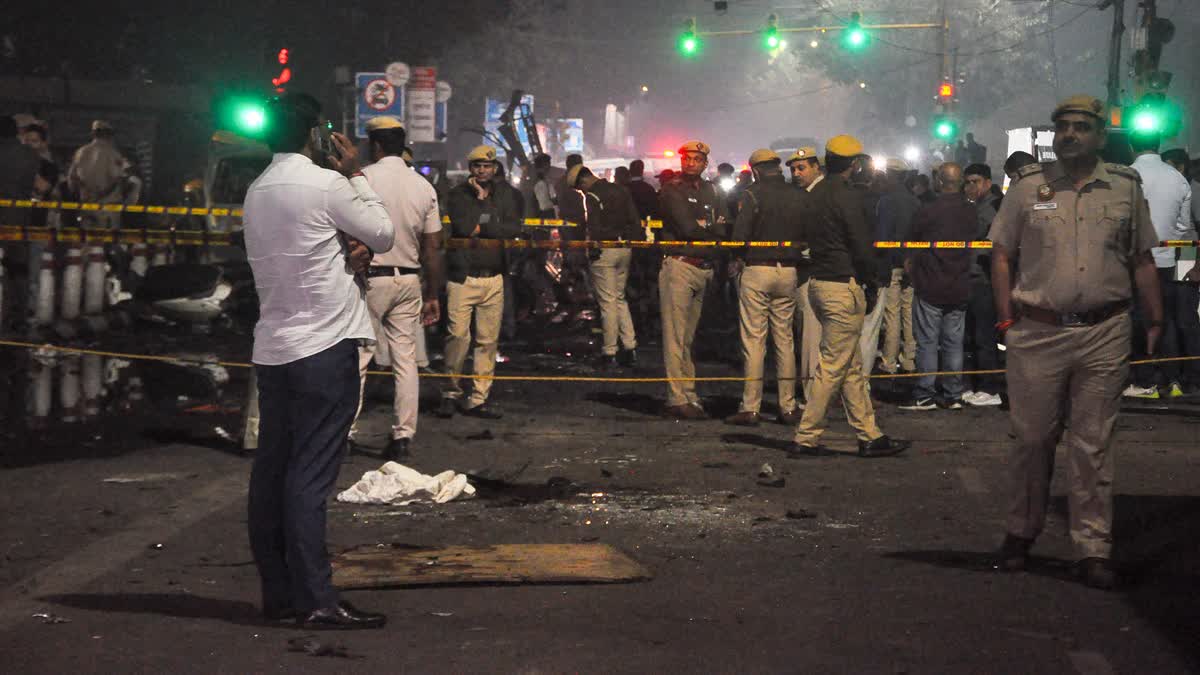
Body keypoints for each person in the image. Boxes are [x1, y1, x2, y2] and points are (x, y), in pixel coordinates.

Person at [991, 95, 1163, 590]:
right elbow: (1001, 254)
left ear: (1099, 136)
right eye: (1062, 126)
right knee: (1032, 439)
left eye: (1081, 127)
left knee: (1093, 444)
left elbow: (1142, 259)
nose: (1070, 134)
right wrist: (1006, 318)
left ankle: (1092, 548)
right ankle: (1021, 533)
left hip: (1105, 332)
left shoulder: (1125, 188)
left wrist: (1155, 316)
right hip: (1037, 332)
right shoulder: (1028, 188)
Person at [243, 93, 394, 628]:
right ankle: (318, 601)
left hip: (275, 348)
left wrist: (337, 251)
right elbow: (383, 233)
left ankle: (280, 596)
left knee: (272, 473)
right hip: (324, 348)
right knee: (309, 478)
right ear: (316, 135)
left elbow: (300, 249)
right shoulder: (327, 182)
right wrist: (355, 175)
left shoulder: (258, 191)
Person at [788, 135, 910, 459]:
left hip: (819, 283)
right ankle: (806, 436)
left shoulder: (814, 194)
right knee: (832, 367)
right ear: (855, 164)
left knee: (850, 366)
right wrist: (873, 281)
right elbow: (860, 244)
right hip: (843, 286)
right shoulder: (849, 197)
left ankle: (869, 434)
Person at [350, 116, 443, 461]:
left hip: (370, 280)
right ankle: (403, 436)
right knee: (405, 361)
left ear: (374, 145)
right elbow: (433, 248)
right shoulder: (423, 186)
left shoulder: (362, 180)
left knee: (358, 358)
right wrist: (432, 293)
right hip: (409, 279)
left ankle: (346, 432)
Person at [439, 145, 523, 419]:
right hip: (463, 278)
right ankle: (451, 393)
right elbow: (464, 227)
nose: (482, 170)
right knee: (458, 338)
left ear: (494, 168)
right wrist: (486, 213)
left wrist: (484, 223)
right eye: (476, 166)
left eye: (486, 166)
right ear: (469, 169)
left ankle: (478, 397)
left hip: (494, 277)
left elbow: (512, 228)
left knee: (488, 341)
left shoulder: (507, 194)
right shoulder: (458, 195)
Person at [725, 149, 805, 426]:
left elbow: (740, 235)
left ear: (755, 170)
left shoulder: (752, 194)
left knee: (754, 341)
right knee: (784, 340)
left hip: (758, 270)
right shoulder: (797, 194)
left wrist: (735, 257)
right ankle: (788, 406)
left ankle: (751, 407)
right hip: (789, 271)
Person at [657, 140, 728, 419]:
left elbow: (722, 227)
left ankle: (688, 393)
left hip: (703, 267)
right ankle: (677, 397)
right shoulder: (671, 190)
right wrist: (706, 228)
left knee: (687, 338)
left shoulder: (711, 190)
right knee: (675, 336)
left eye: (697, 160)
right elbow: (687, 228)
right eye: (687, 158)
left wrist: (704, 228)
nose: (691, 163)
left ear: (705, 163)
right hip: (680, 265)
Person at [1123, 132, 1197, 398]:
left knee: (1136, 322)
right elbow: (1183, 225)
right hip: (1165, 261)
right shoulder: (1177, 179)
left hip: (1133, 261)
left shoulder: (1125, 176)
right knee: (1163, 320)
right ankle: (1173, 380)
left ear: (1132, 147)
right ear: (1158, 145)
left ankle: (1145, 381)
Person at [899, 163, 976, 410]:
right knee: (955, 343)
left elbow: (910, 242)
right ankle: (953, 393)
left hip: (931, 284)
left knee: (927, 343)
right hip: (960, 284)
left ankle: (925, 394)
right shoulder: (970, 211)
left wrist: (912, 268)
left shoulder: (928, 210)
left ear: (939, 182)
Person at [570, 163, 643, 367]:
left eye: (579, 188)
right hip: (624, 248)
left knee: (607, 302)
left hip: (604, 251)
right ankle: (630, 346)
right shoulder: (621, 190)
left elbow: (594, 227)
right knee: (620, 298)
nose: (581, 192)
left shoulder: (592, 196)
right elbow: (634, 220)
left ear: (583, 180)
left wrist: (592, 247)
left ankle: (609, 351)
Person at [961, 163, 1004, 406]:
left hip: (985, 281)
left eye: (975, 181)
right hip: (973, 277)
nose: (970, 187)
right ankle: (980, 385)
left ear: (987, 182)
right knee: (974, 337)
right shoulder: (976, 206)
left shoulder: (993, 208)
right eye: (967, 182)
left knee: (984, 337)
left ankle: (990, 388)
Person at [874, 158, 921, 376]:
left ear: (891, 175)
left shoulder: (886, 201)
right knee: (908, 313)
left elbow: (883, 236)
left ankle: (889, 362)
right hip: (911, 264)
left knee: (892, 315)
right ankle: (909, 360)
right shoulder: (914, 201)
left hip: (892, 264)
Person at [786, 147, 824, 402]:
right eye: (793, 169)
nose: (796, 173)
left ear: (816, 168)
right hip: (818, 272)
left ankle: (812, 393)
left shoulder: (816, 196)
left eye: (802, 168)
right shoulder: (809, 194)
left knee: (811, 335)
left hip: (814, 272)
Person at [67, 120, 132, 226]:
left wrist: (85, 192)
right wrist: (101, 195)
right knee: (108, 239)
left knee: (87, 238)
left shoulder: (80, 152)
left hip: (86, 205)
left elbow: (72, 179)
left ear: (93, 134)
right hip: (108, 207)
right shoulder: (113, 153)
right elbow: (119, 179)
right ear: (109, 135)